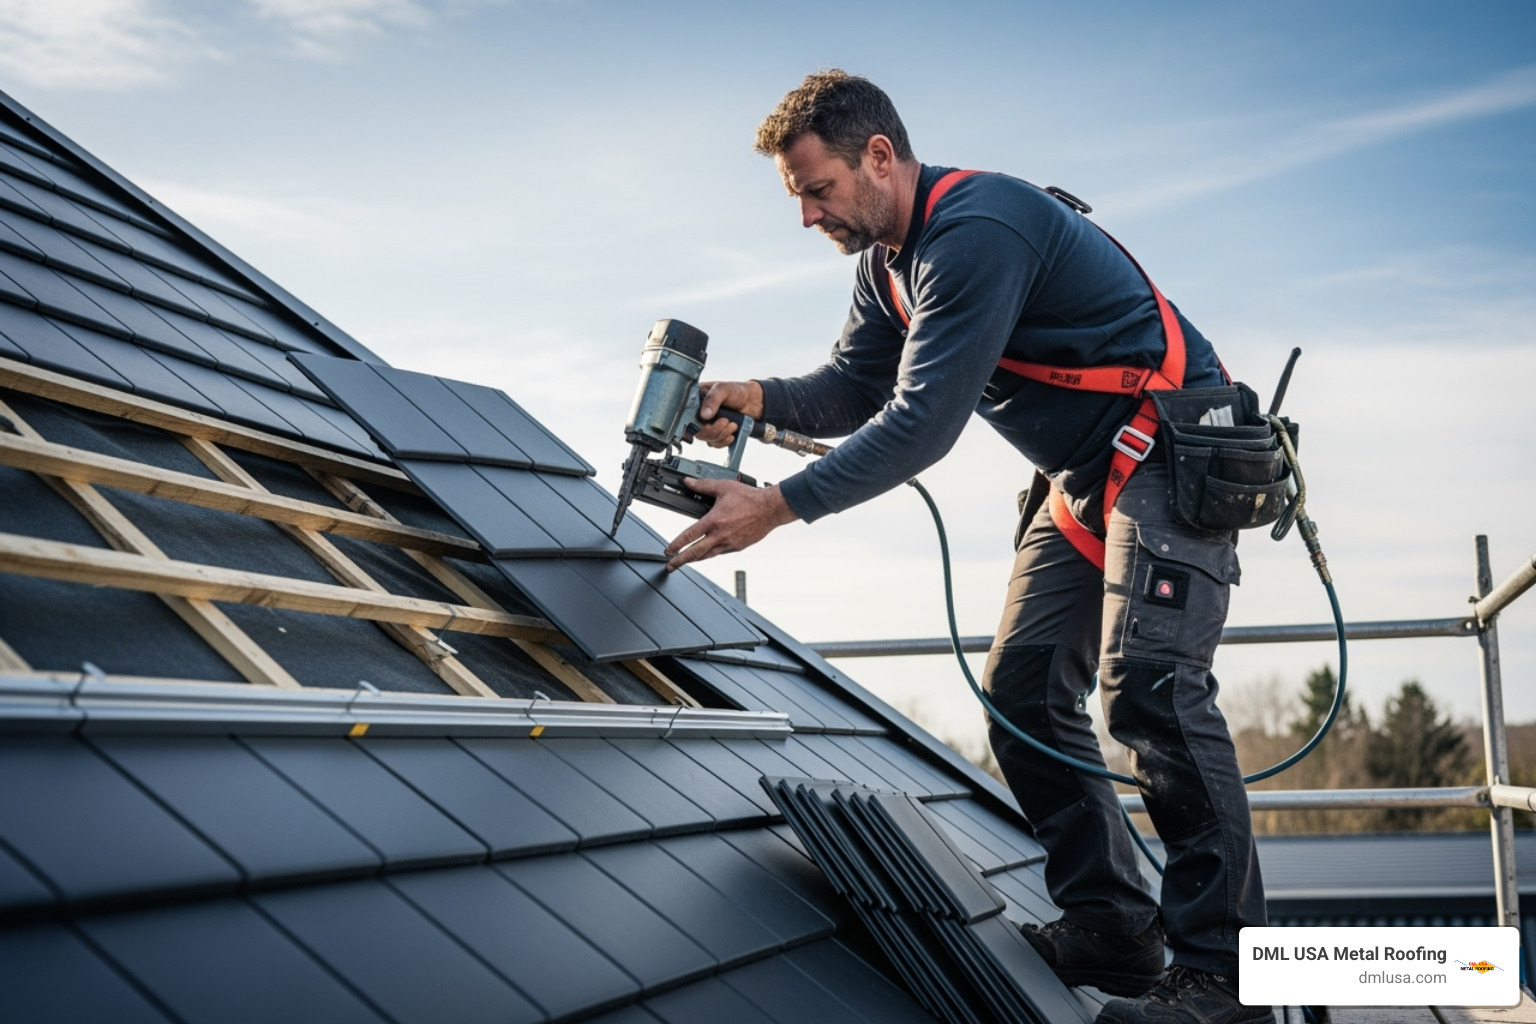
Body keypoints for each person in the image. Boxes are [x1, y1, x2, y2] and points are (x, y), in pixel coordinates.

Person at [663, 70, 1269, 1024]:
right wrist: (756, 397)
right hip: (1086, 477)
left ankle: (1225, 981)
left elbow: (921, 424)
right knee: (1023, 687)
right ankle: (1112, 925)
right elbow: (854, 387)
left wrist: (773, 506)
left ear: (877, 156)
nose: (808, 216)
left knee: (1151, 687)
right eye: (798, 198)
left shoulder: (977, 230)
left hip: (1169, 448)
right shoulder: (887, 266)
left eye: (818, 190)